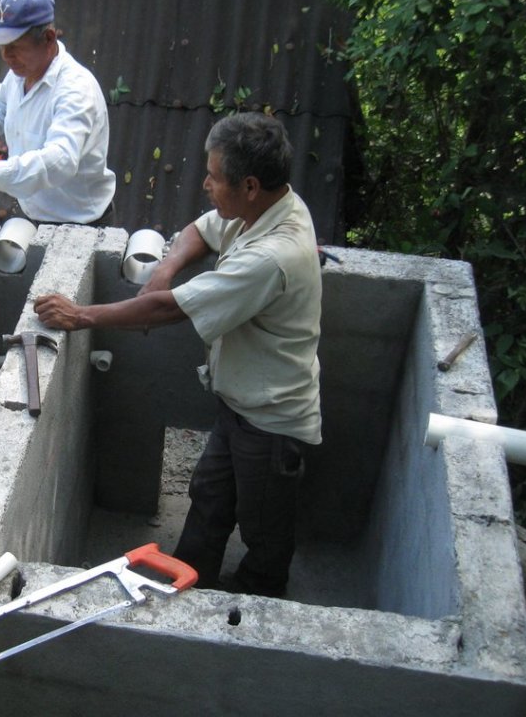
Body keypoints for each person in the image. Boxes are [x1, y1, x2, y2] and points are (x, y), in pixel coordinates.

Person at [34, 113, 322, 597]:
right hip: (241, 403)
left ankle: (252, 607)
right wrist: (164, 267)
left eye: (214, 176)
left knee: (264, 529)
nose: (206, 184)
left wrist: (81, 315)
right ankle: (187, 583)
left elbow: (169, 310)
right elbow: (199, 230)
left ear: (250, 185)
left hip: (273, 420)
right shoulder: (262, 209)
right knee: (208, 498)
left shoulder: (273, 254)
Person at [0, 0, 116, 225]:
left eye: (14, 46)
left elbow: (60, 161)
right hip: (32, 214)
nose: (6, 56)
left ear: (48, 39)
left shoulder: (76, 89)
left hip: (80, 222)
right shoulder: (19, 74)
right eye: (1, 47)